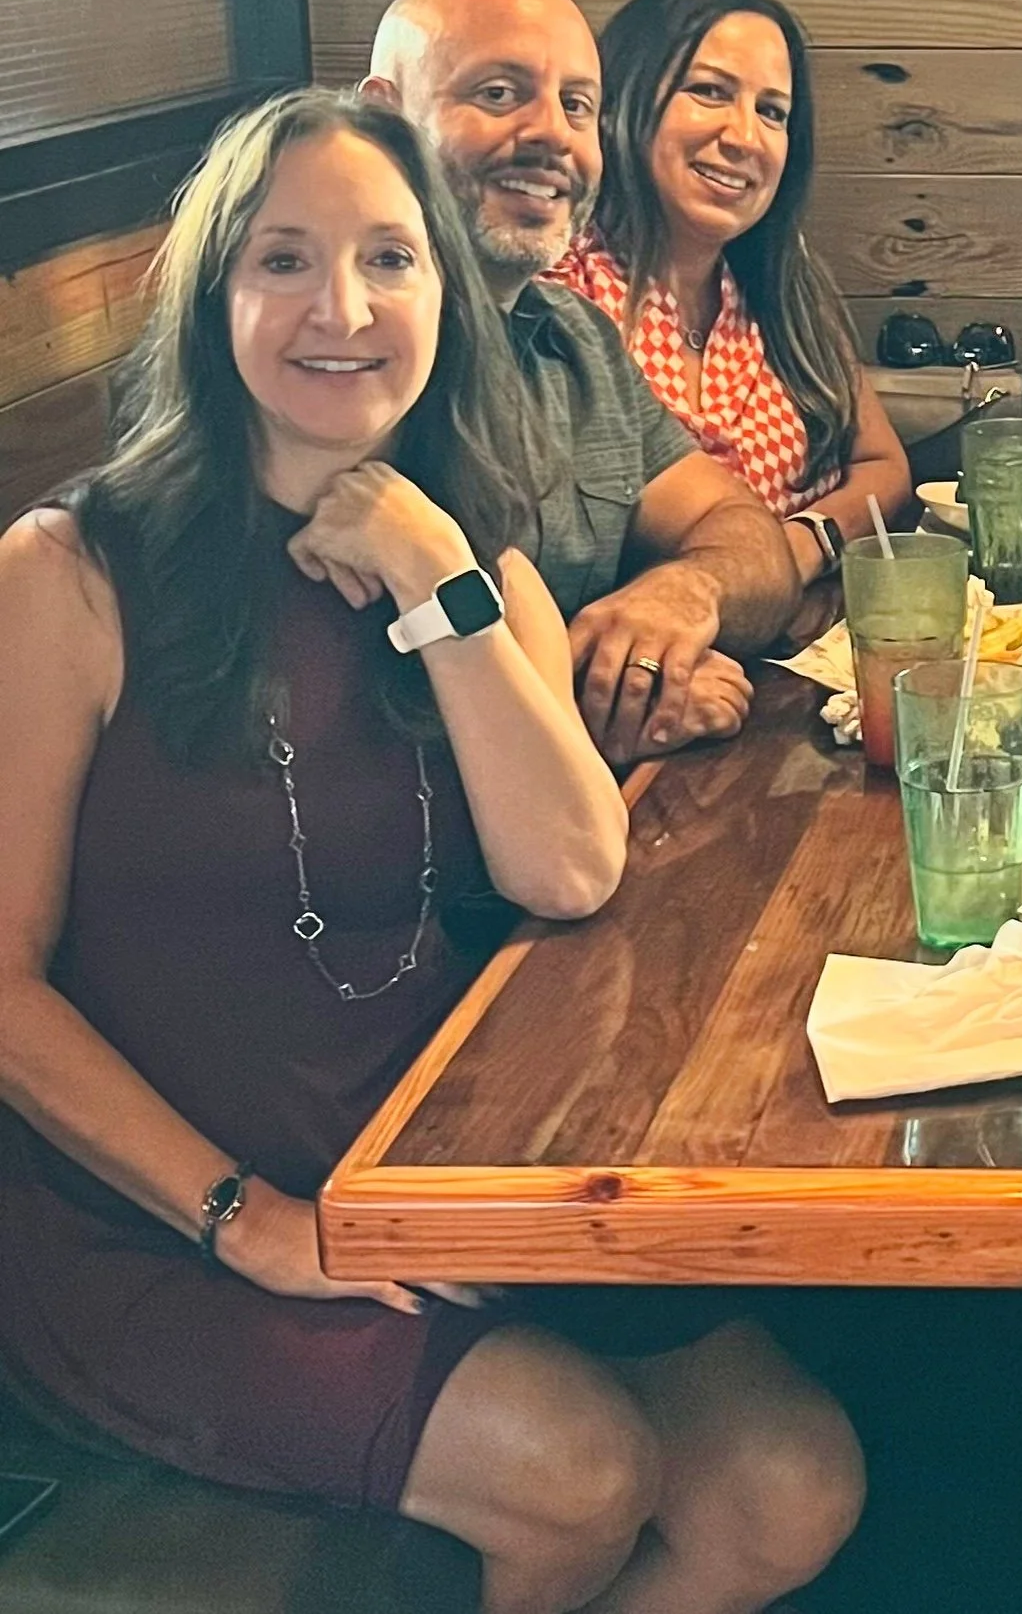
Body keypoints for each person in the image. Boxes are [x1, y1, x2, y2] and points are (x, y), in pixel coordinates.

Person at [0, 90, 862, 1614]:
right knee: (575, 1466)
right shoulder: (71, 574)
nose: (342, 308)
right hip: (157, 1226)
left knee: (790, 1487)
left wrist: (436, 579)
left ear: (444, 302)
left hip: (436, 1191)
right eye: (284, 261)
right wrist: (243, 1220)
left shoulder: (474, 553)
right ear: (214, 301)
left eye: (390, 261)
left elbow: (570, 868)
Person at [364, 0, 804, 767]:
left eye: (576, 106)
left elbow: (748, 537)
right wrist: (616, 695)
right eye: (498, 94)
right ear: (383, 118)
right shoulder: (341, 360)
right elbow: (362, 706)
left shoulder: (575, 336)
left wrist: (685, 593)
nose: (551, 136)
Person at [547, 0, 912, 589]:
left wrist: (800, 546)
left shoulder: (778, 283)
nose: (745, 138)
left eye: (772, 111)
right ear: (622, 102)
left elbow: (883, 464)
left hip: (799, 659)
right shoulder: (559, 290)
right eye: (710, 92)